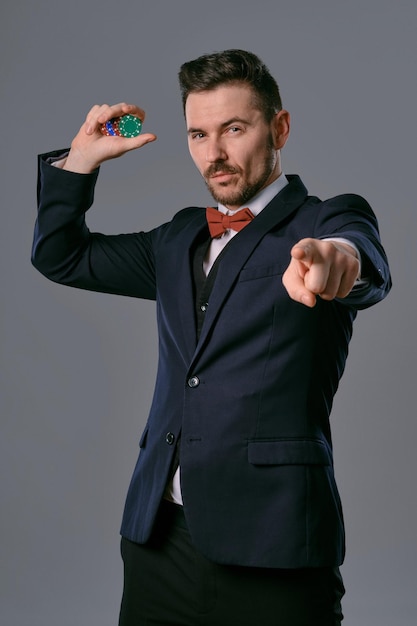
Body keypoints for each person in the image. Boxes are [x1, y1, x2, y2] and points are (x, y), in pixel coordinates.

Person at [31, 49, 391, 626]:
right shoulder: (177, 238)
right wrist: (80, 161)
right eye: (198, 134)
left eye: (234, 129)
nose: (214, 154)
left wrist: (335, 261)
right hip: (159, 541)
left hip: (275, 547)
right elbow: (61, 256)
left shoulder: (325, 220)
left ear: (280, 128)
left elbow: (362, 259)